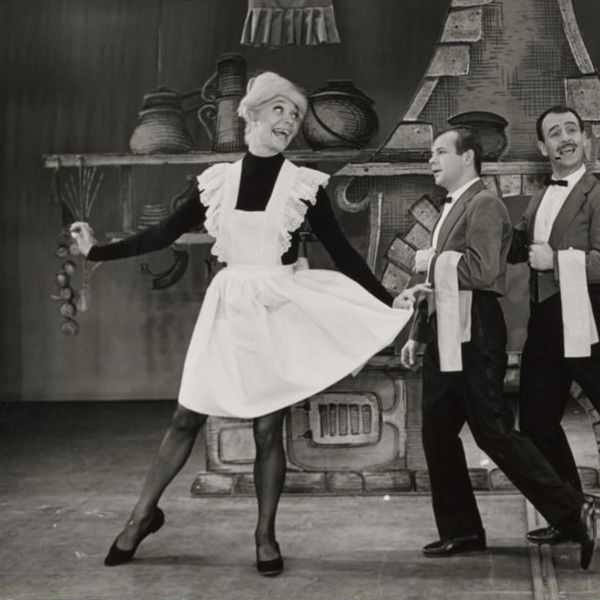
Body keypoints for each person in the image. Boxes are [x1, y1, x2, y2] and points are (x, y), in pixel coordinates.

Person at [70, 71, 421, 576]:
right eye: (280, 109)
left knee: (267, 430)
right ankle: (141, 517)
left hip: (275, 309)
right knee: (186, 417)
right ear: (251, 114)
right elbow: (163, 234)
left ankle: (265, 536)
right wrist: (96, 251)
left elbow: (343, 254)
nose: (289, 121)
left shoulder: (303, 185)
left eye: (295, 115)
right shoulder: (218, 180)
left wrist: (388, 301)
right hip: (227, 307)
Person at [400, 125, 597, 569]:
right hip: (444, 332)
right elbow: (436, 286)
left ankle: (577, 509)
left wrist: (432, 260)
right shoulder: (451, 206)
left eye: (440, 152)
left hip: (475, 332)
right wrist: (417, 334)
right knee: (436, 431)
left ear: (467, 157)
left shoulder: (484, 203)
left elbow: (483, 271)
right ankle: (462, 530)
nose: (431, 160)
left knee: (493, 431)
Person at [508, 105, 600, 546]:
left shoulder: (597, 193)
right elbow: (518, 247)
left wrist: (558, 262)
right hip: (545, 323)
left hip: (591, 322)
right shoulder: (539, 198)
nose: (565, 138)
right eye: (555, 133)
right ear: (543, 147)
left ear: (585, 139)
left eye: (572, 130)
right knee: (536, 424)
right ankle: (573, 516)